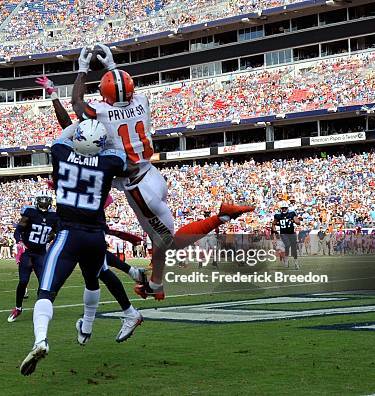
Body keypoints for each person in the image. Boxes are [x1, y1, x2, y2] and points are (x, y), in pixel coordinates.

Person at [70, 44, 254, 300]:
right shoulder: (142, 102)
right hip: (153, 174)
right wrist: (113, 67)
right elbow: (127, 93)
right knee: (161, 240)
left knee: (167, 241)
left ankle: (221, 217)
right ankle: (155, 285)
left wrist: (82, 70)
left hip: (136, 185)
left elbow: (77, 103)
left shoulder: (101, 112)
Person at [20, 119, 127, 376]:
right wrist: (103, 123)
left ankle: (41, 341)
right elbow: (119, 149)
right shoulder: (108, 162)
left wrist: (80, 121)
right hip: (95, 236)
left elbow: (61, 138)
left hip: (69, 234)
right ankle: (87, 327)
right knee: (93, 280)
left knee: (46, 292)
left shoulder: (61, 153)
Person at [8, 191, 59, 322]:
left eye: (46, 200)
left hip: (41, 253)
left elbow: (57, 232)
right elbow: (18, 230)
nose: (43, 203)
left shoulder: (54, 216)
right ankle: (18, 308)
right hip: (27, 251)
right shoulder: (30, 213)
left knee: (44, 283)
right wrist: (19, 242)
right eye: (41, 200)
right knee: (23, 281)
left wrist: (51, 238)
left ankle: (40, 308)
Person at [272, 201, 301, 269]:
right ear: (281, 209)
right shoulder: (278, 215)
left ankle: (296, 263)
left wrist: (293, 221)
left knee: (294, 248)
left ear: (287, 208)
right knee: (287, 245)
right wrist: (275, 231)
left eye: (285, 208)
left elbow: (298, 222)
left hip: (291, 233)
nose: (284, 209)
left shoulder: (291, 214)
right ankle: (286, 260)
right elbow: (273, 223)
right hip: (284, 233)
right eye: (283, 208)